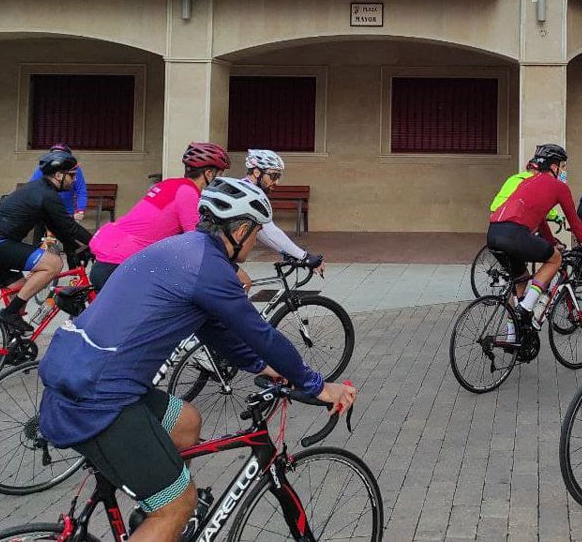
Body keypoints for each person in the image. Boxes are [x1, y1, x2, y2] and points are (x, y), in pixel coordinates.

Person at [38, 178, 356, 542]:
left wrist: (265, 368)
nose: (255, 245)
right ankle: (166, 516)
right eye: (255, 234)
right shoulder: (210, 268)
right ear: (239, 230)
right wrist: (315, 385)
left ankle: (156, 521)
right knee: (178, 504)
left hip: (82, 375)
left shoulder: (185, 248)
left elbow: (215, 332)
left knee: (187, 422)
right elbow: (261, 333)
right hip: (97, 398)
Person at [0, 150, 93, 333]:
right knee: (53, 264)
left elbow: (58, 227)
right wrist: (98, 242)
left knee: (21, 290)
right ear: (59, 175)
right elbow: (70, 227)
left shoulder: (38, 189)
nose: (74, 180)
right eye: (72, 176)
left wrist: (73, 248)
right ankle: (10, 313)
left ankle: (14, 344)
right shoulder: (46, 195)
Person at [88, 142, 230, 290]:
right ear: (209, 174)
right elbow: (196, 243)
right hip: (123, 266)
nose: (221, 180)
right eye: (220, 175)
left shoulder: (167, 185)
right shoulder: (188, 192)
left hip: (108, 258)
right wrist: (229, 268)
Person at [487, 144, 582, 328]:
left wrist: (552, 242)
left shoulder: (526, 181)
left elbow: (541, 221)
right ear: (554, 167)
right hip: (515, 234)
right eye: (562, 166)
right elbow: (574, 220)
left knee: (521, 278)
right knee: (555, 259)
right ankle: (527, 306)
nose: (563, 171)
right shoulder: (559, 187)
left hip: (493, 233)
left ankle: (512, 335)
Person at [243, 150, 324, 272]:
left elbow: (261, 231)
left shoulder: (246, 188)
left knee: (244, 284)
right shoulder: (251, 195)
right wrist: (305, 257)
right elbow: (271, 232)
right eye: (274, 176)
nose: (277, 182)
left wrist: (285, 251)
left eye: (278, 177)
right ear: (256, 172)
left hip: (219, 253)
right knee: (243, 284)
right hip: (216, 253)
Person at [28, 143, 88, 221]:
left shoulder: (75, 169)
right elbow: (33, 188)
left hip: (67, 211)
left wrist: (80, 211)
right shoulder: (43, 168)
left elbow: (81, 191)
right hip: (45, 211)